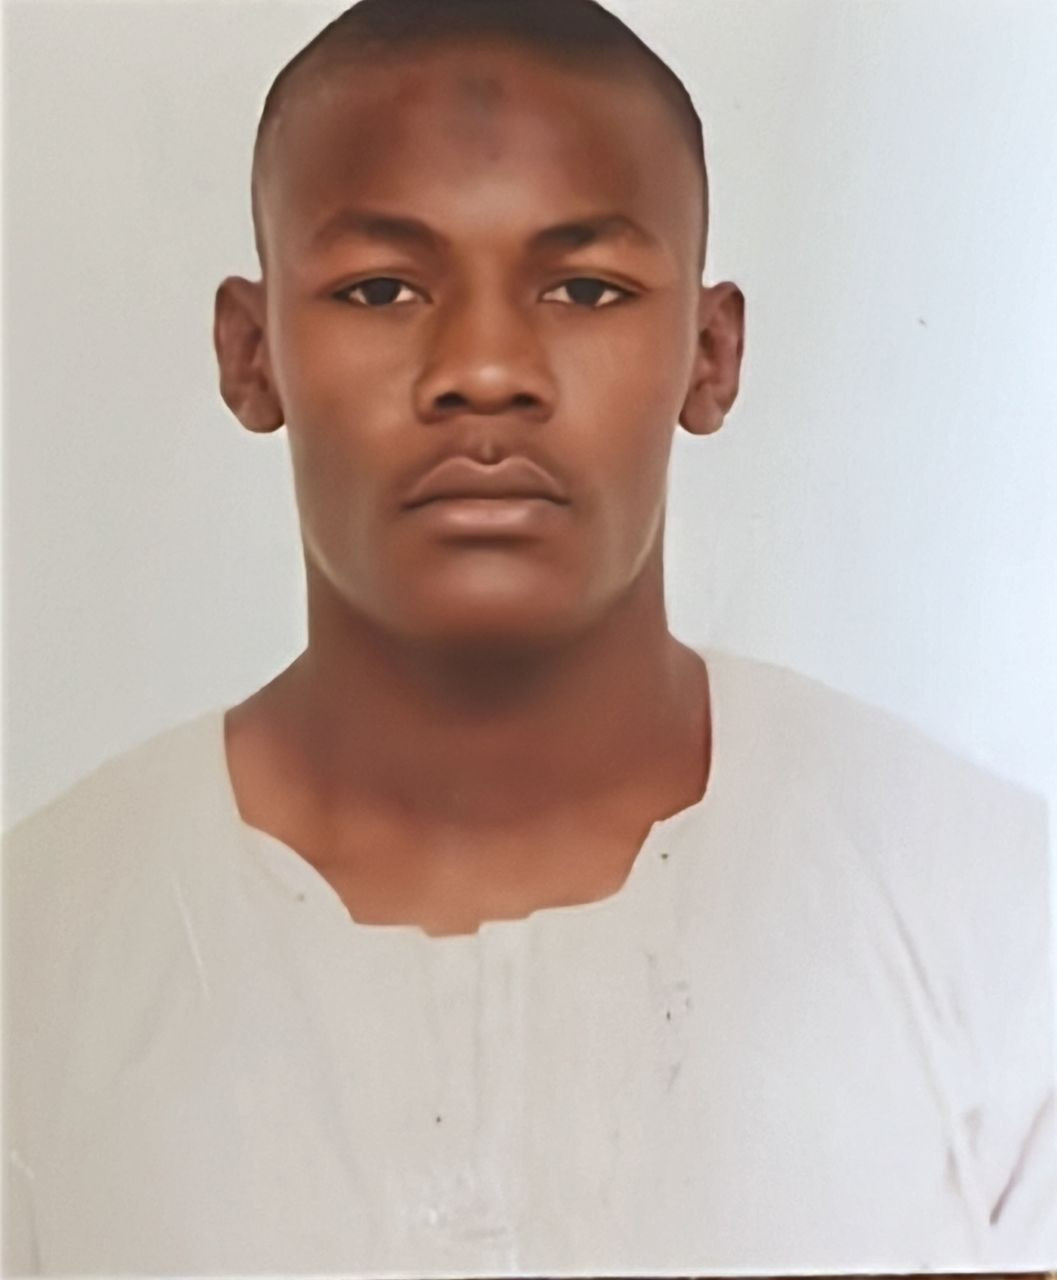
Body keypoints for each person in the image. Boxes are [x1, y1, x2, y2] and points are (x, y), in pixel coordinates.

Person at [3, 0, 1054, 1275]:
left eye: (584, 288)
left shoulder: (1002, 929)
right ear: (250, 351)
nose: (486, 367)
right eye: (381, 288)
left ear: (710, 353)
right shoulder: (37, 961)